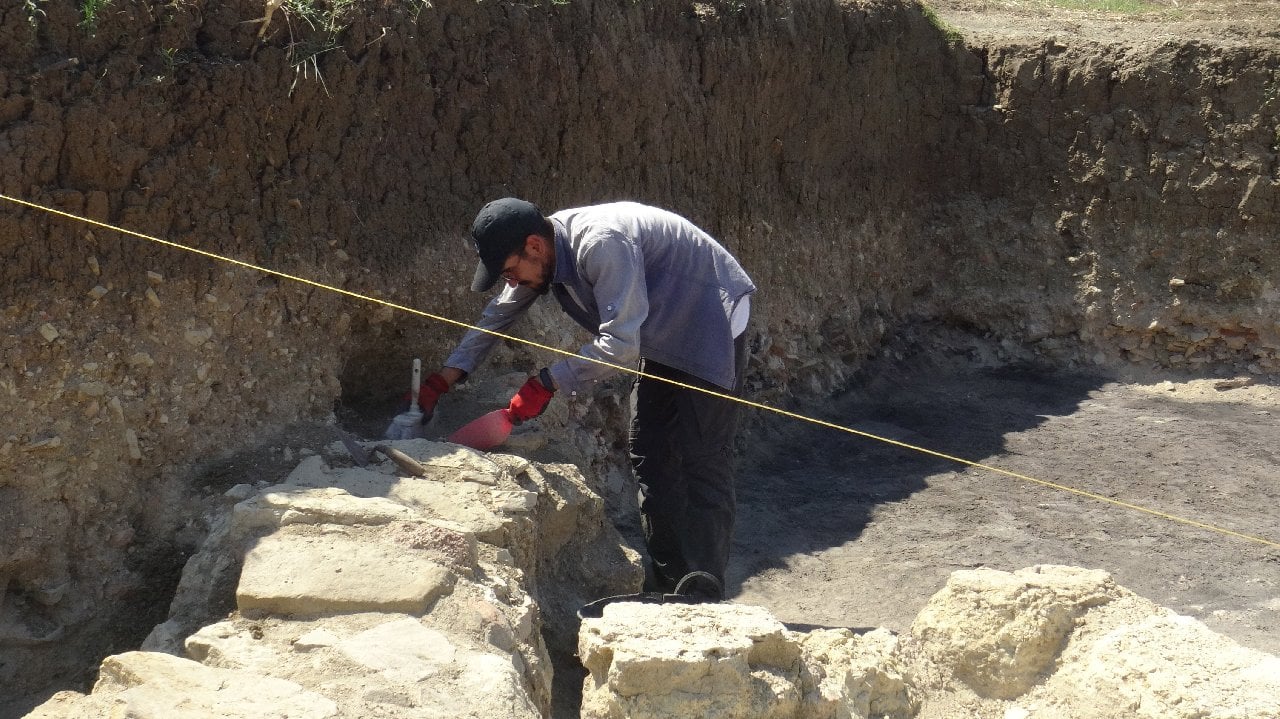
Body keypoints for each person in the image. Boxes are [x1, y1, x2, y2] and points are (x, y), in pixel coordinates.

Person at [419, 198, 755, 601]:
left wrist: (547, 382)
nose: (511, 283)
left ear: (534, 246)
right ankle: (670, 581)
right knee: (648, 447)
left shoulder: (600, 244)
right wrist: (445, 377)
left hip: (709, 315)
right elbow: (498, 315)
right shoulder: (543, 256)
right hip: (662, 326)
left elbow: (620, 345)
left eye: (510, 271)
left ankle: (704, 589)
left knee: (701, 453)